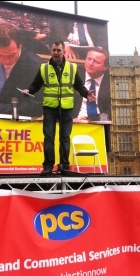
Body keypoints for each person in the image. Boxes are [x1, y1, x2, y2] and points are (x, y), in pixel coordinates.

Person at [23, 40, 96, 176]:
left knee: (65, 138)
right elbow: (36, 84)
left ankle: (64, 166)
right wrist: (29, 91)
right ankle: (48, 167)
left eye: (59, 50)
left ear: (63, 52)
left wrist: (86, 93)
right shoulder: (44, 67)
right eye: (54, 50)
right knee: (49, 137)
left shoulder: (72, 68)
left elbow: (78, 85)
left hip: (66, 108)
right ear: (51, 51)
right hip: (50, 108)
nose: (56, 53)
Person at [74, 47, 111, 122]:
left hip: (100, 124)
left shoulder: (110, 82)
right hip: (75, 122)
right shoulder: (73, 77)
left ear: (105, 67)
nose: (90, 63)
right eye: (89, 59)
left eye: (96, 62)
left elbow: (112, 111)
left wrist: (91, 119)